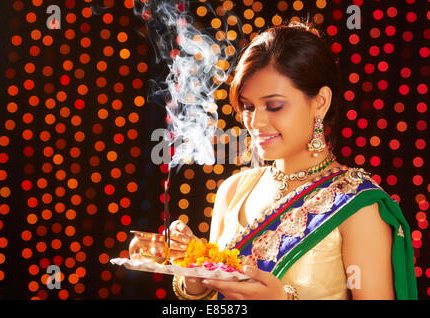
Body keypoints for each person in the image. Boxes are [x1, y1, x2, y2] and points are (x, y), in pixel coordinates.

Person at [167, 22, 418, 300]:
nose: (256, 121)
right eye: (248, 106)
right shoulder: (234, 191)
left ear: (320, 101)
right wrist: (195, 282)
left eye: (274, 105)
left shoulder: (358, 206)